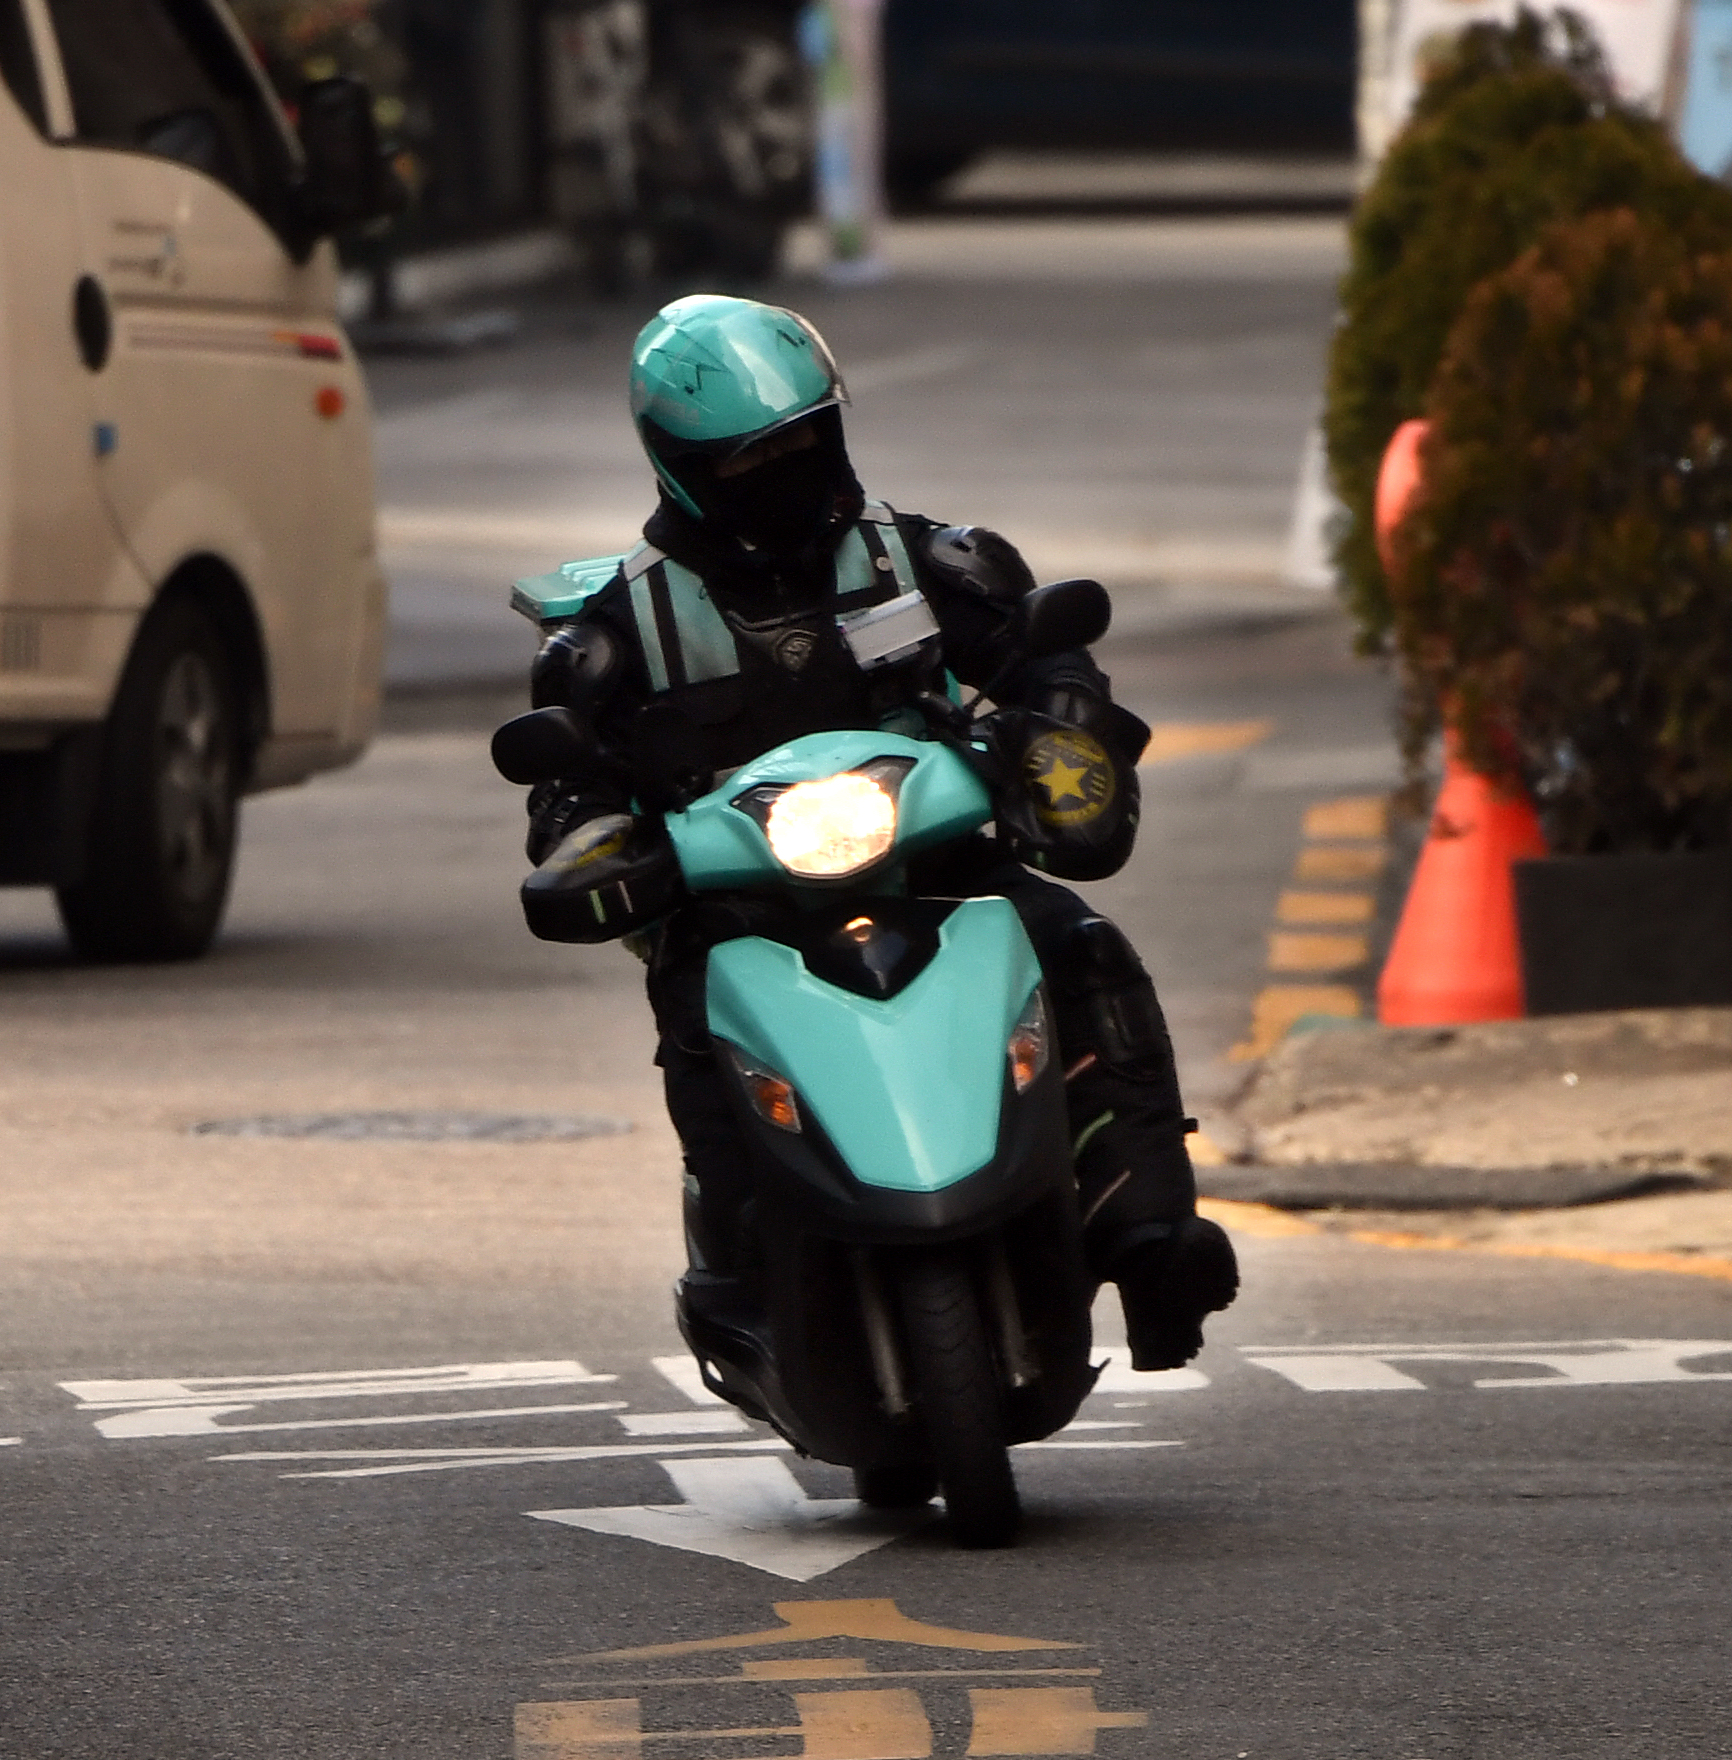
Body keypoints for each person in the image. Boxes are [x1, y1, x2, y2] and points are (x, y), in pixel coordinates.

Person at [508, 294, 1240, 1367]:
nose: (789, 466)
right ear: (679, 463)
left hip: (946, 870)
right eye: (750, 458)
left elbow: (1047, 661)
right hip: (739, 908)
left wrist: (1062, 727)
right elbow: (568, 786)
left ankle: (1147, 1229)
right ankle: (744, 1267)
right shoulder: (616, 628)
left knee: (1082, 947)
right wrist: (596, 839)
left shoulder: (928, 559)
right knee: (696, 1025)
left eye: (807, 437)